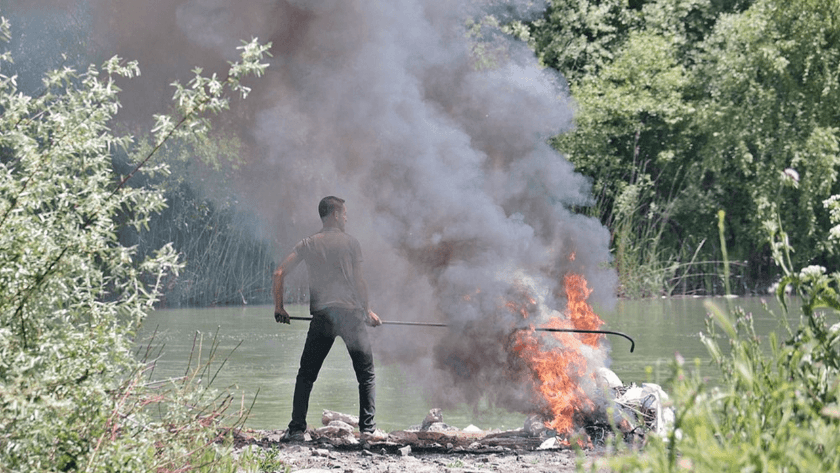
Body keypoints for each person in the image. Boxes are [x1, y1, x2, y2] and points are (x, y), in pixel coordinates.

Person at [273, 196, 381, 441]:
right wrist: (368, 311)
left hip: (323, 317)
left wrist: (279, 307)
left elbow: (279, 272)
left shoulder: (309, 243)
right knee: (366, 375)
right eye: (344, 214)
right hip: (350, 315)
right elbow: (359, 281)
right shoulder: (351, 243)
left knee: (306, 375)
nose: (346, 218)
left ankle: (297, 429)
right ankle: (367, 430)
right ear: (334, 214)